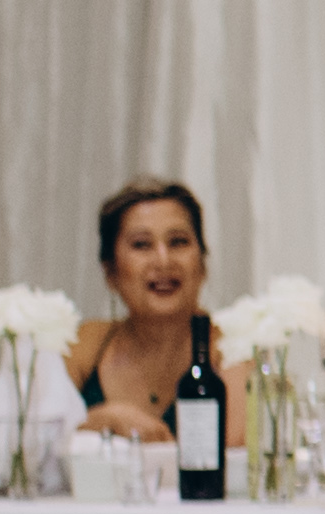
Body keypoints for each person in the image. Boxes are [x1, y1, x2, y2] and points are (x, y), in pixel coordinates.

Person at [60, 176, 248, 448]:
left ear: (202, 264)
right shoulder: (85, 344)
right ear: (110, 271)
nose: (163, 260)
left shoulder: (233, 349)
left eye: (178, 242)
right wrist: (101, 420)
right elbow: (36, 440)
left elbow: (234, 458)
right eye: (142, 245)